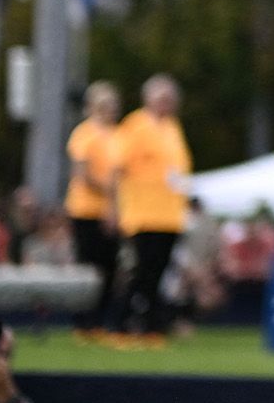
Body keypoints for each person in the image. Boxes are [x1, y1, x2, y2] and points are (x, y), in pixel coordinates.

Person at [112, 74, 192, 343]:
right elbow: (118, 168)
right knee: (141, 271)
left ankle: (150, 324)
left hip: (168, 215)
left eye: (170, 99)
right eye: (161, 99)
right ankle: (122, 321)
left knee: (157, 273)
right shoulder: (135, 126)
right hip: (142, 213)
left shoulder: (172, 127)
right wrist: (114, 207)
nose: (166, 104)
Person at [66, 80, 123, 337]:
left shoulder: (118, 135)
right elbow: (83, 174)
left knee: (109, 268)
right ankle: (83, 321)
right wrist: (111, 192)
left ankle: (100, 320)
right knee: (88, 266)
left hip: (112, 211)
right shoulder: (84, 134)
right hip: (86, 210)